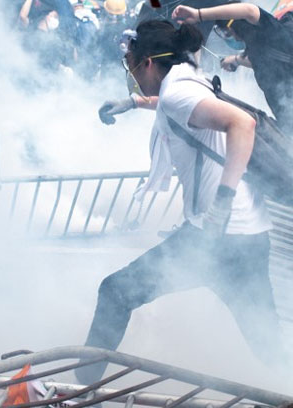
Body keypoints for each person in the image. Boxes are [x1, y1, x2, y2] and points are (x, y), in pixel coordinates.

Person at [77, 20, 280, 385]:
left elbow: (242, 124)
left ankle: (76, 390)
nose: (133, 76)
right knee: (270, 346)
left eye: (131, 67)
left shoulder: (177, 93)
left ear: (149, 63)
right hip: (245, 236)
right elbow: (181, 107)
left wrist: (223, 198)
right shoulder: (186, 81)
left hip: (218, 236)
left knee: (115, 292)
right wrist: (135, 102)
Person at [171, 1, 293, 135]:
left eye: (227, 32)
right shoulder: (256, 48)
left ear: (235, 25)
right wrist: (237, 60)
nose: (229, 38)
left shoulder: (270, 31)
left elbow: (250, 10)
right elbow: (267, 62)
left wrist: (199, 15)